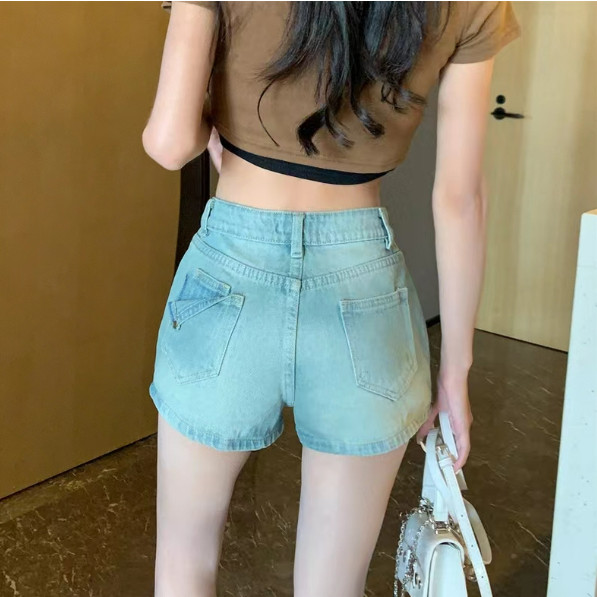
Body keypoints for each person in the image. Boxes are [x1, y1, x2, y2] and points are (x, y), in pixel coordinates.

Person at [142, 2, 521, 596]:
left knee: (184, 564)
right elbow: (460, 197)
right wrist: (455, 372)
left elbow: (169, 143)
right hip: (362, 285)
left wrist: (218, 125)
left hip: (229, 272)